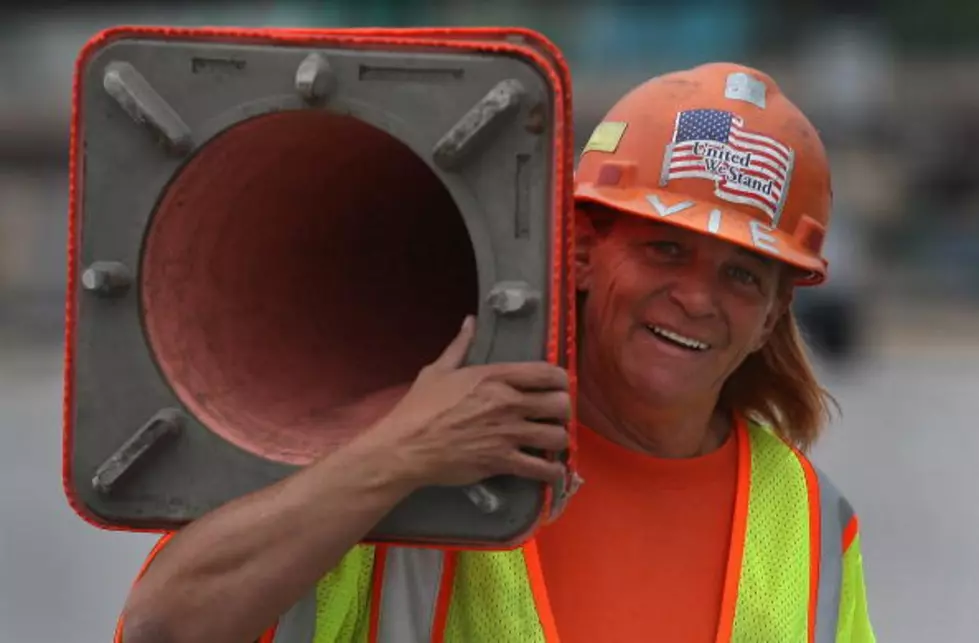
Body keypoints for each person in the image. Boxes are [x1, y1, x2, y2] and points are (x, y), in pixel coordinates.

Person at [115, 62, 874, 643]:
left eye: (741, 273)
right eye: (664, 249)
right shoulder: (409, 441)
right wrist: (401, 455)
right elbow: (161, 627)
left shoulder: (808, 517)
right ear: (579, 252)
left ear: (775, 310)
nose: (697, 297)